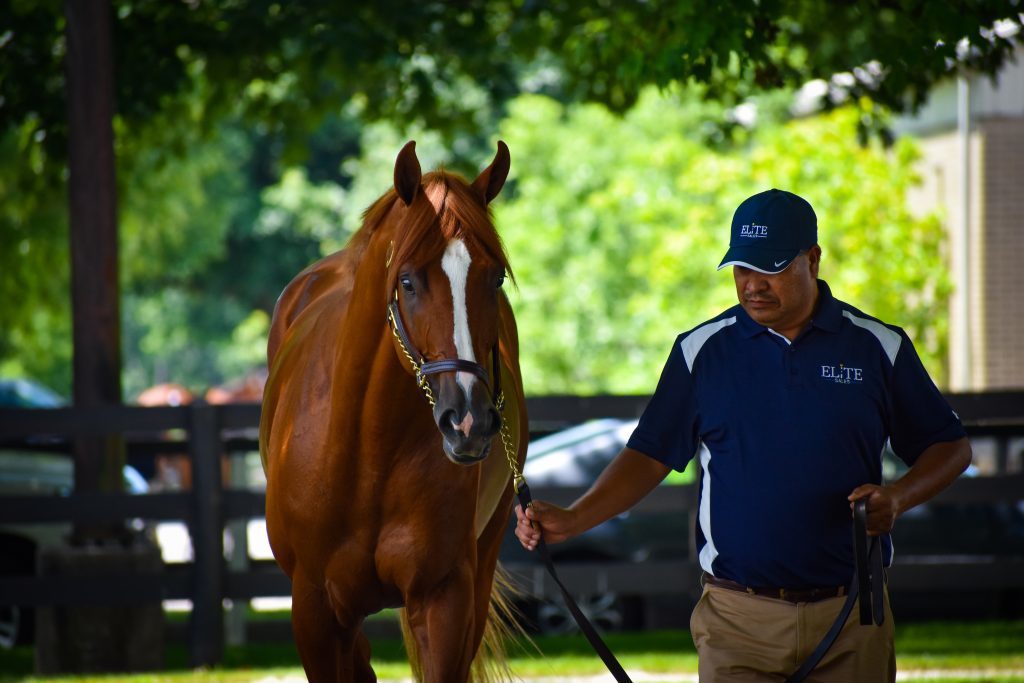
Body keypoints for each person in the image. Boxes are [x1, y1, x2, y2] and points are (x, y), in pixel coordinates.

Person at [514, 188, 973, 681]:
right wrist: (576, 517)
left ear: (812, 260)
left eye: (770, 267)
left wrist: (899, 497)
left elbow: (950, 447)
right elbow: (648, 456)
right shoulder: (701, 352)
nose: (752, 285)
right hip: (737, 621)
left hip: (852, 618)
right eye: (741, 269)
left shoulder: (878, 347)